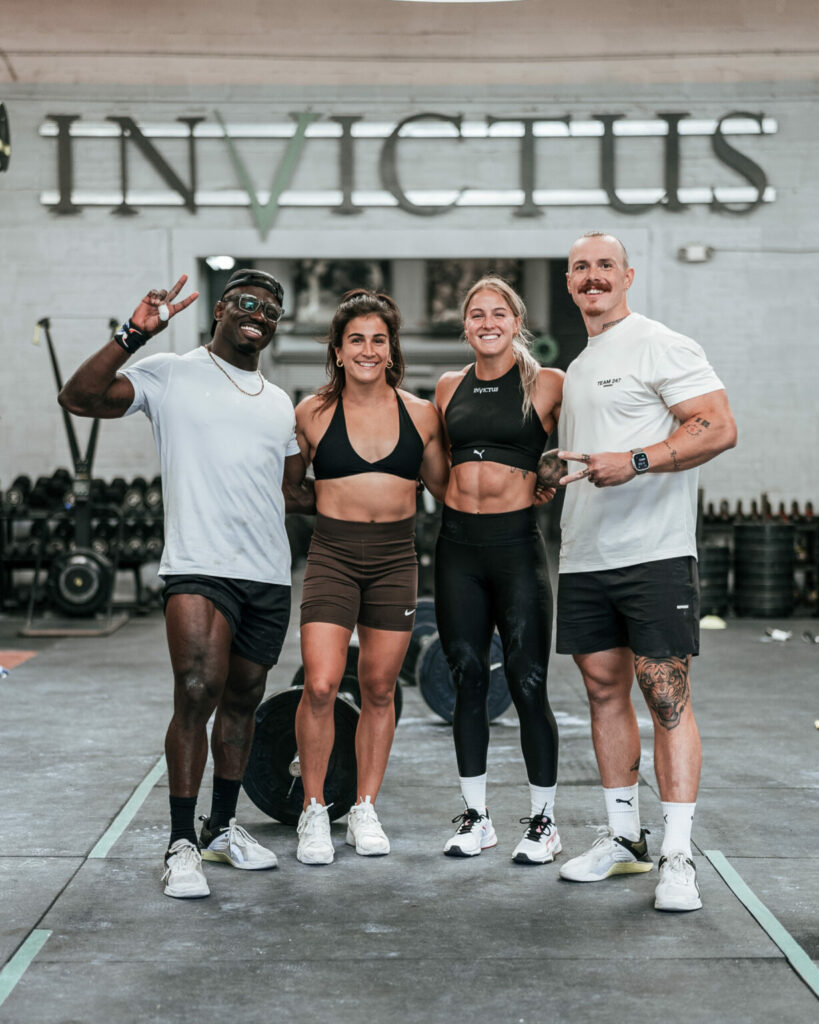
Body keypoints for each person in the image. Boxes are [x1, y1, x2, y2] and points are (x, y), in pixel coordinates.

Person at [58, 269, 308, 899]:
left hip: (267, 573)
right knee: (197, 689)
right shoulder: (171, 372)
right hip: (198, 564)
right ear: (221, 308)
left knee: (245, 700)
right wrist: (132, 333)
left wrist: (384, 475)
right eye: (249, 302)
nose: (260, 315)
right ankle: (179, 843)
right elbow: (80, 398)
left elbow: (295, 492)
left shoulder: (279, 403)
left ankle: (222, 828)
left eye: (272, 311)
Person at [555, 231, 737, 911]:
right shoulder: (578, 364)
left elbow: (716, 426)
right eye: (580, 267)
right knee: (602, 692)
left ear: (627, 276)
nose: (592, 276)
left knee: (666, 699)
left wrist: (634, 460)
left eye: (604, 265)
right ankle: (623, 840)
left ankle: (677, 856)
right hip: (585, 556)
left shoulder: (660, 341)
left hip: (653, 555)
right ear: (569, 281)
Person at [290, 289, 449, 865]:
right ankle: (313, 810)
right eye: (355, 338)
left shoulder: (422, 413)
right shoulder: (310, 413)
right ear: (337, 350)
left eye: (378, 339)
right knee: (322, 684)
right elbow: (288, 488)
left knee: (381, 688)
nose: (367, 349)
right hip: (332, 553)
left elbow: (448, 490)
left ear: (391, 349)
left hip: (394, 558)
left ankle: (363, 808)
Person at [434, 275, 564, 863]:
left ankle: (543, 821)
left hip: (516, 546)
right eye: (476, 314)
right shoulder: (445, 387)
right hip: (458, 545)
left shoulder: (550, 384)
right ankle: (477, 816)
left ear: (517, 322)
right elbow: (436, 465)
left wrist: (552, 471)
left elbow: (585, 442)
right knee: (467, 677)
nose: (487, 322)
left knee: (528, 680)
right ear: (465, 326)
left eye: (498, 314)